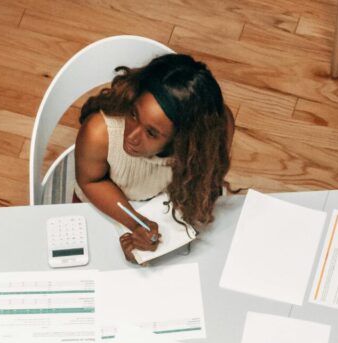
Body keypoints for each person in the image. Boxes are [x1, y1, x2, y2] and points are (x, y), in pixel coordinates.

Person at [74, 53, 234, 263]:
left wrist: (158, 228)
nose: (131, 137)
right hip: (106, 203)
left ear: (184, 141)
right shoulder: (98, 132)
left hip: (170, 204)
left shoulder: (216, 132)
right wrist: (136, 223)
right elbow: (91, 180)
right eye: (133, 114)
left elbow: (202, 183)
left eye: (151, 133)